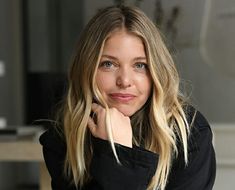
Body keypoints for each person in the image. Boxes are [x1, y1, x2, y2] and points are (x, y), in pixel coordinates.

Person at [39, 5, 216, 190]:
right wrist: (112, 151)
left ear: (156, 70)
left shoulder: (190, 133)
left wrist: (120, 155)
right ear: (86, 69)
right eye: (108, 64)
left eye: (140, 65)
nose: (124, 81)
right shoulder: (62, 139)